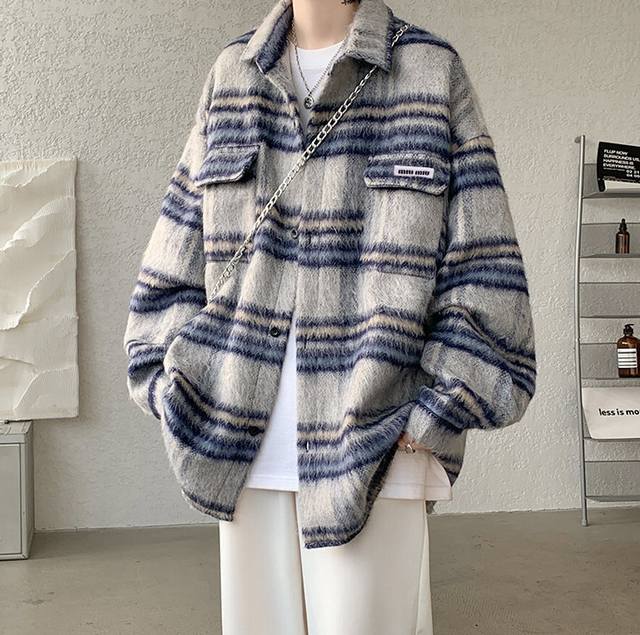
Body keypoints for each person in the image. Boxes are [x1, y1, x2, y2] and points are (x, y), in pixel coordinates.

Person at [123, 0, 537, 633]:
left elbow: (485, 263)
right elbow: (176, 247)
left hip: (375, 441)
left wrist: (438, 407)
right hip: (236, 439)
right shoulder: (233, 73)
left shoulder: (428, 70)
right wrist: (169, 381)